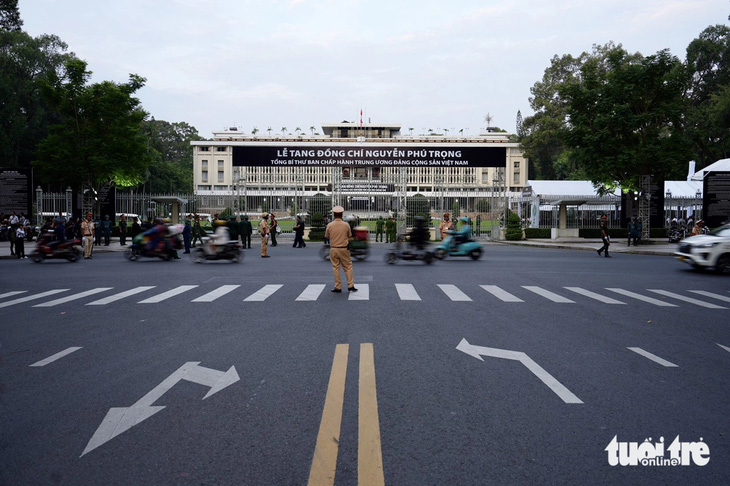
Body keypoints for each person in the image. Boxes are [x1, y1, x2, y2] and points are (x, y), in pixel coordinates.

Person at [325, 206, 357, 293]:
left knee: (336, 268)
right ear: (342, 214)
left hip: (333, 248)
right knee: (348, 267)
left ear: (334, 215)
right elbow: (349, 235)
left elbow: (327, 236)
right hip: (344, 248)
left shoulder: (330, 225)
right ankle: (350, 285)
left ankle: (338, 286)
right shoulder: (346, 225)